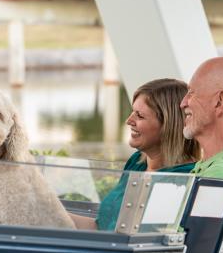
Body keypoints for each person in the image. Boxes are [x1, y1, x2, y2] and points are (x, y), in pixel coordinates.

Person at [70, 78, 201, 231]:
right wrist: (46, 210)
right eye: (132, 112)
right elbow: (101, 227)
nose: (129, 120)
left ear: (168, 125)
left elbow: (136, 241)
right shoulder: (137, 162)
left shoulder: (180, 180)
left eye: (139, 115)